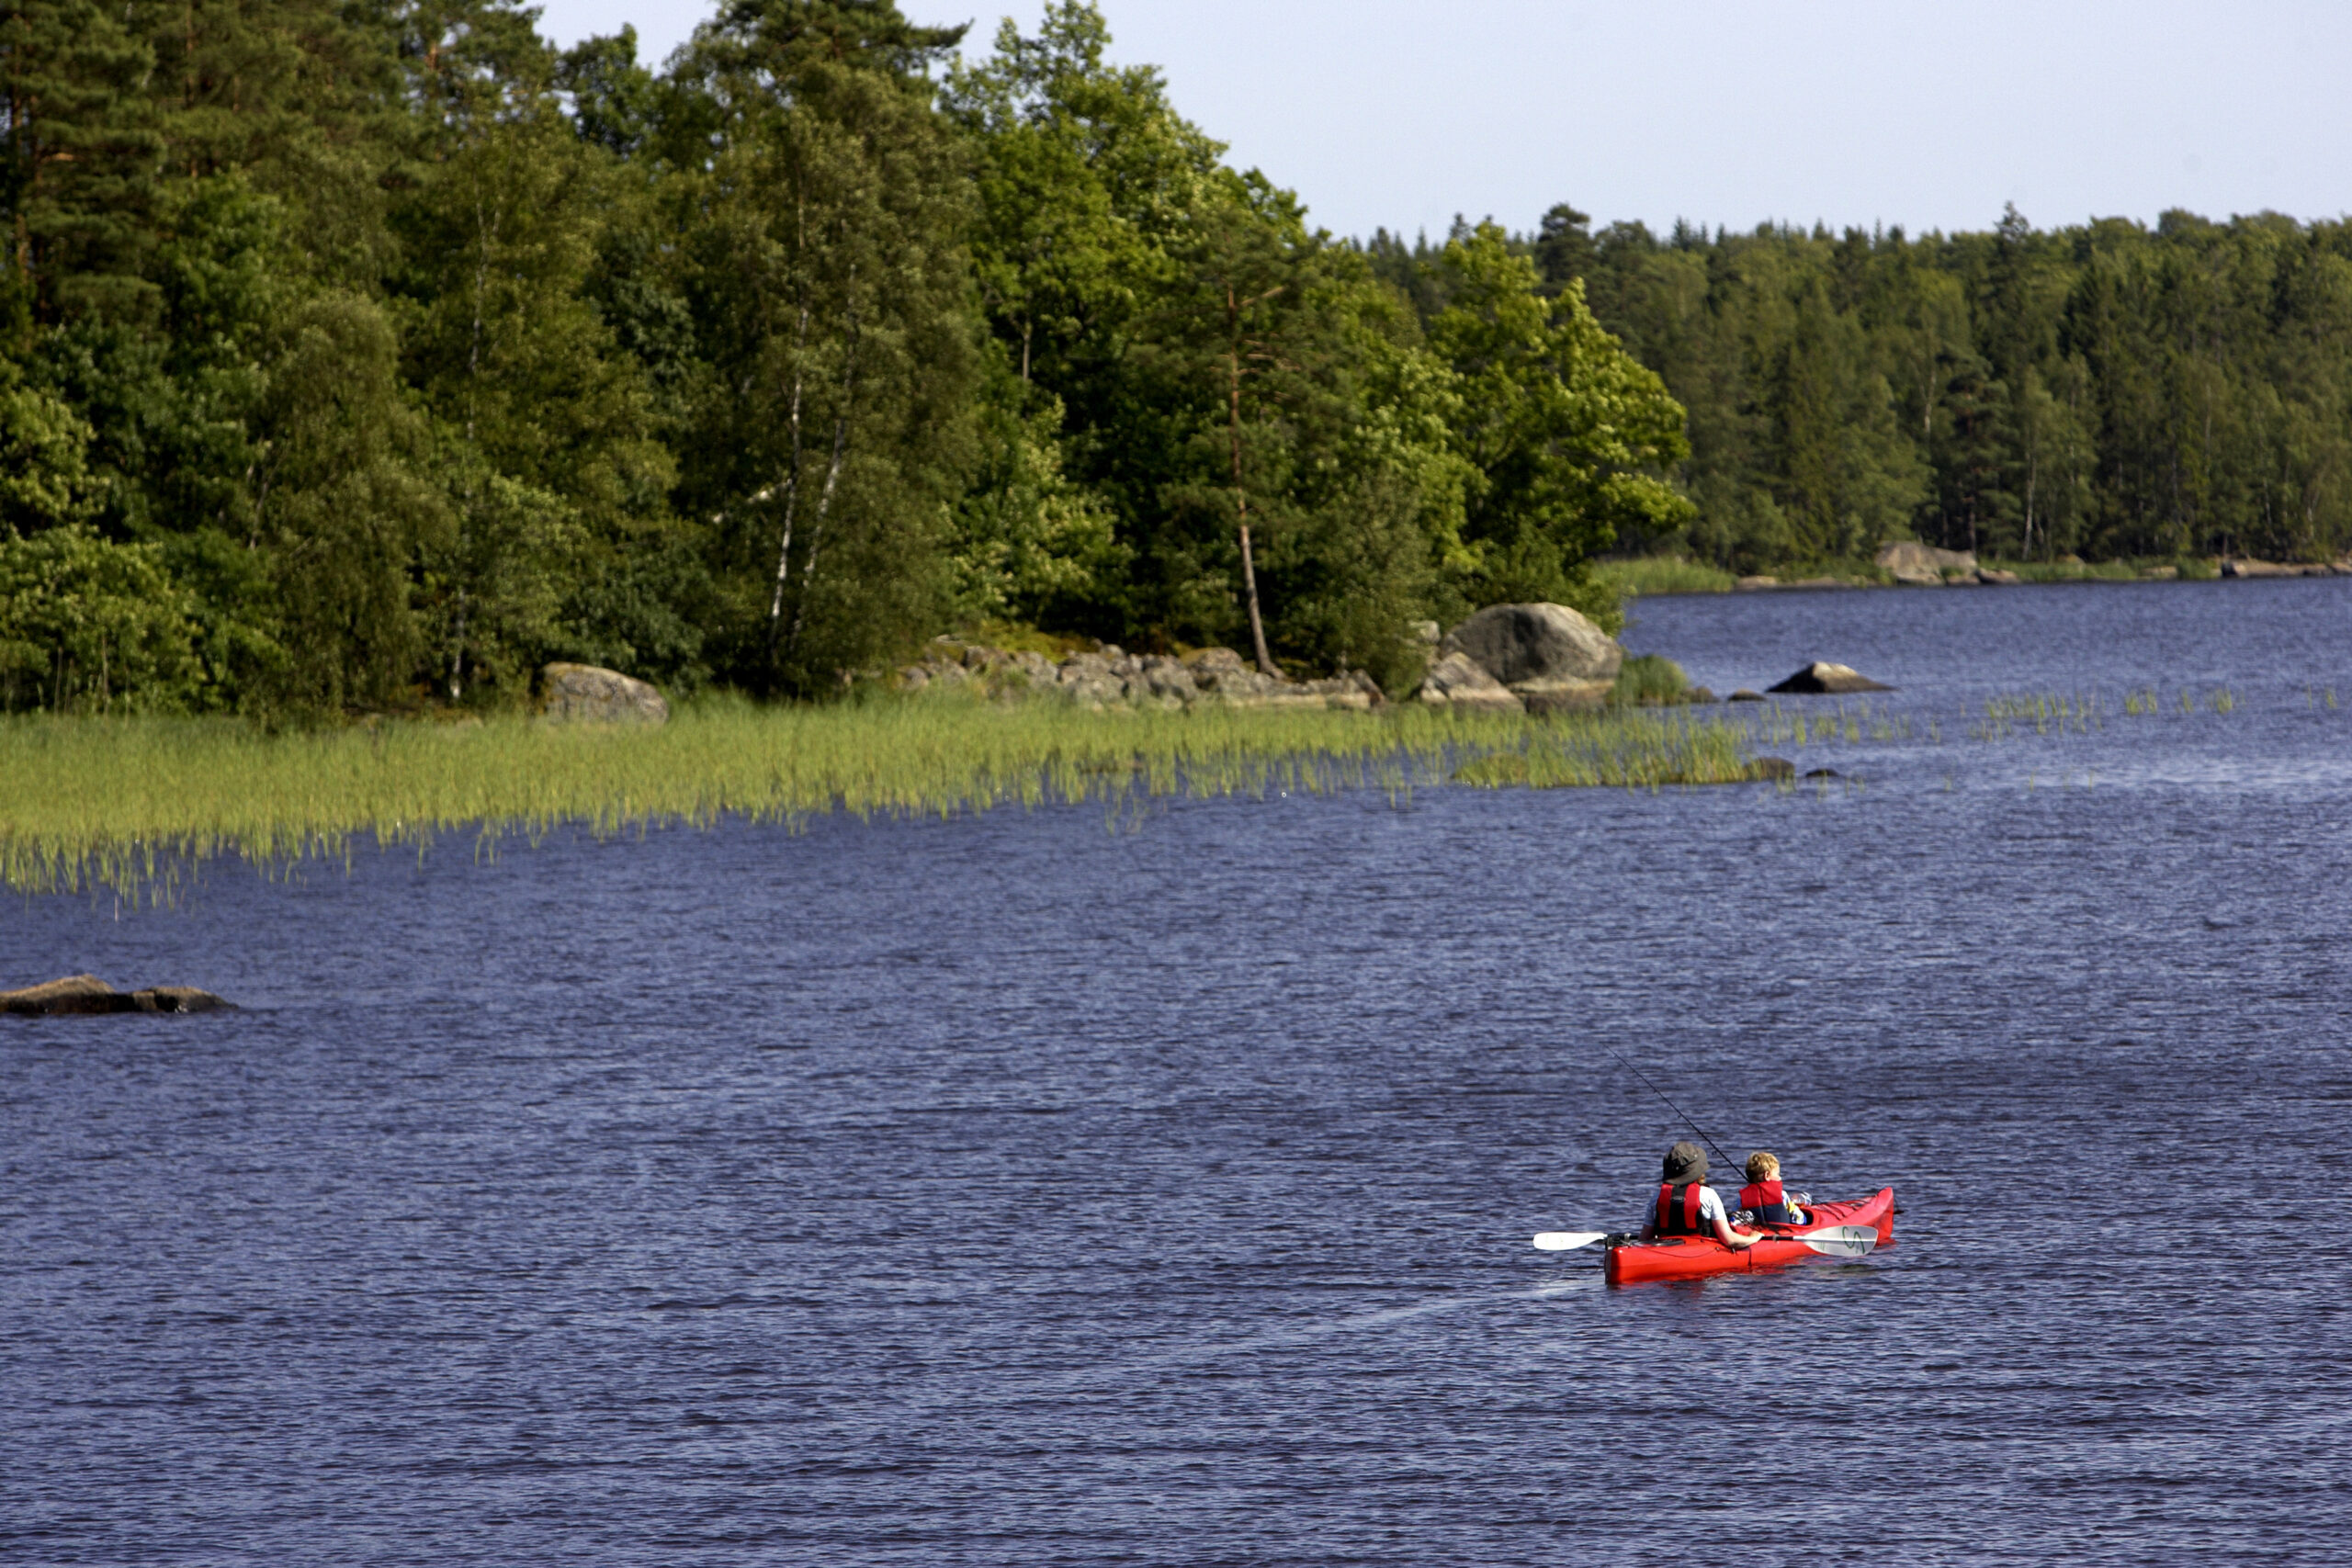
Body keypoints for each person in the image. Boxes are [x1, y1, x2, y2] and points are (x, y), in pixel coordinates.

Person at [1639, 1141, 1766, 1248]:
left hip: (1665, 1250)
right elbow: (1729, 1240)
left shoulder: (1656, 1196)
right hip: (1701, 1251)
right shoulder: (1708, 1195)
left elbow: (1643, 1240)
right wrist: (1753, 1238)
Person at [1737, 1151, 1809, 1226]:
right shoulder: (1782, 1195)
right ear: (1767, 1175)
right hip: (1782, 1231)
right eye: (1777, 1174)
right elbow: (1800, 1220)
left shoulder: (1741, 1200)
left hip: (1756, 1231)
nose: (1780, 1178)